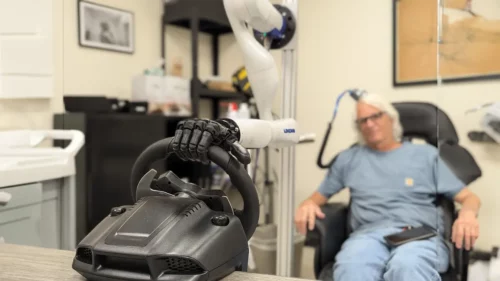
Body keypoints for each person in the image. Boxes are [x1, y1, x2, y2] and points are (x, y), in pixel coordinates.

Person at [294, 93, 481, 281]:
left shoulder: (425, 156)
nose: (369, 124)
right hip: (367, 237)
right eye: (362, 120)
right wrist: (307, 205)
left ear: (391, 118)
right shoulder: (349, 159)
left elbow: (469, 198)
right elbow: (315, 199)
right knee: (353, 269)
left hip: (418, 235)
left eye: (376, 116)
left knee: (408, 267)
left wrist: (467, 214)